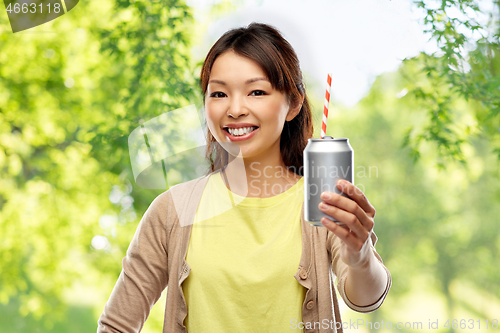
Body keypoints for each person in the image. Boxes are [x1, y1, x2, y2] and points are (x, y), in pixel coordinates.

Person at [97, 22, 391, 333]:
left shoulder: (322, 204)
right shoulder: (173, 209)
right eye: (220, 93)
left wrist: (359, 256)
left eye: (257, 92)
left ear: (293, 103)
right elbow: (117, 325)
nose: (235, 109)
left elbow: (366, 298)